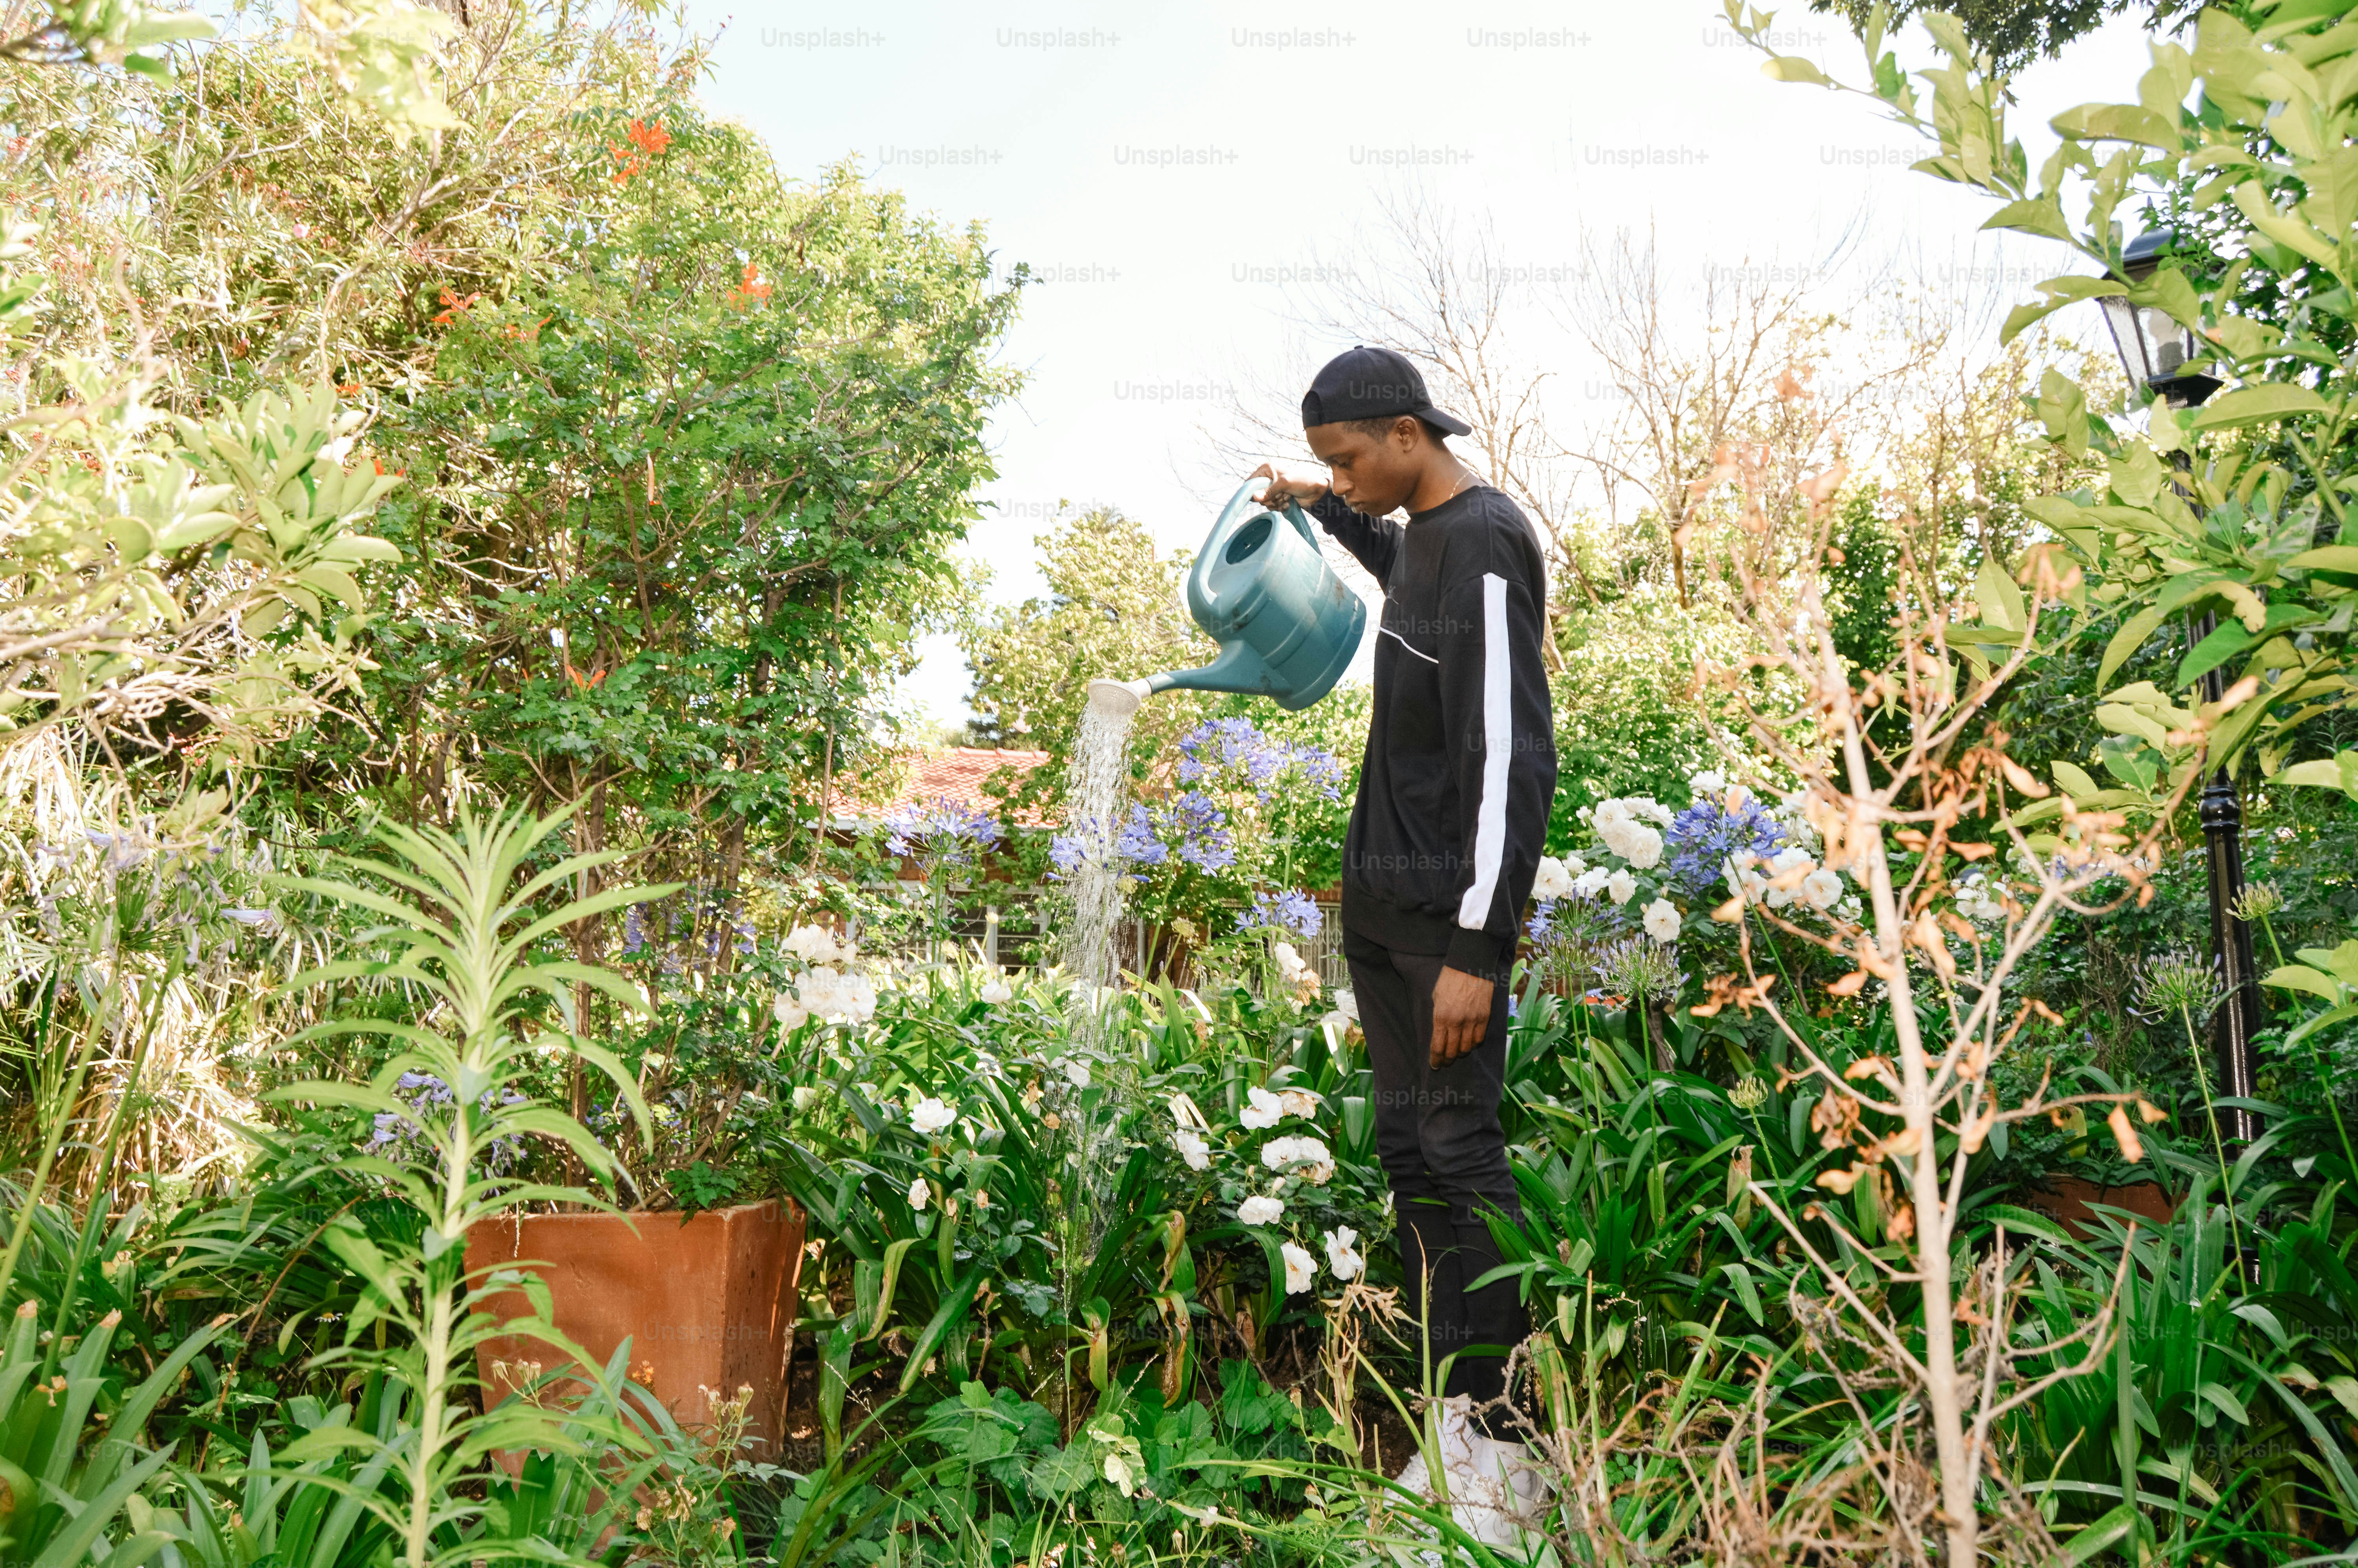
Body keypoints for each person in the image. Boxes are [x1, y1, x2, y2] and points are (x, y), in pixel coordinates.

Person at [1252, 345, 1556, 1535]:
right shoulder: (1418, 534)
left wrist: (1481, 943)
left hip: (1443, 919)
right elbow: (1392, 561)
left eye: (1347, 460)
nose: (1342, 477)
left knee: (1462, 1154)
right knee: (1408, 1151)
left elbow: (1510, 754)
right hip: (1381, 914)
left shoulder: (1485, 540)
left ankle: (1515, 1449)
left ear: (1406, 437)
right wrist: (1314, 506)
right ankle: (1455, 1430)